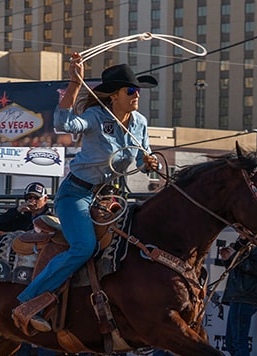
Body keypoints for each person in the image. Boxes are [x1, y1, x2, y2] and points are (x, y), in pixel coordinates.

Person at [12, 58, 159, 334]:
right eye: (130, 90)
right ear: (114, 96)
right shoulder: (96, 117)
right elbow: (64, 123)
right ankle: (29, 300)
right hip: (75, 194)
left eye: (137, 90)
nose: (136, 95)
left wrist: (151, 163)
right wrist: (75, 84)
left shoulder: (139, 122)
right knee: (84, 247)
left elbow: (142, 157)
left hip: (107, 198)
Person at [0, 181, 58, 356]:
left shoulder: (52, 219)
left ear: (45, 199)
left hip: (43, 273)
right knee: (21, 319)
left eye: (36, 198)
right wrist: (17, 211)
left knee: (43, 320)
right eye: (29, 198)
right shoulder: (21, 217)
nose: (32, 202)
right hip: (22, 274)